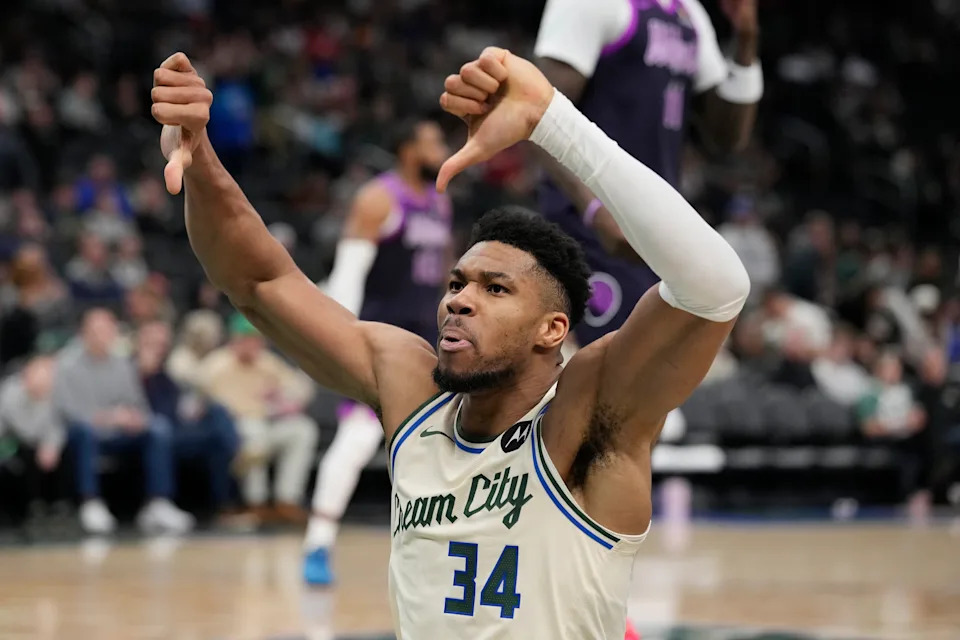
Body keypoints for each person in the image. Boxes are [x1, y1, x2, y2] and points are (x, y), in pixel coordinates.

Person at [151, 48, 748, 638]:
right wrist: (202, 161)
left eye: (495, 289)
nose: (459, 300)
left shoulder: (588, 415)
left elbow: (716, 286)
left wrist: (552, 122)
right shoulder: (410, 388)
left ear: (553, 330)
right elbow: (260, 281)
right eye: (457, 282)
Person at [533, 0, 761, 346]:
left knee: (641, 382)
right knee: (611, 376)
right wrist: (594, 209)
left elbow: (727, 137)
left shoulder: (689, 12)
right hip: (588, 225)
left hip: (653, 229)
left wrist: (745, 41)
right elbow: (536, 113)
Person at [304, 117, 454, 585]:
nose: (443, 149)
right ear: (408, 149)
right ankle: (317, 545)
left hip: (428, 344)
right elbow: (348, 276)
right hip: (381, 343)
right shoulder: (378, 199)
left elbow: (444, 271)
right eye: (433, 141)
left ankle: (438, 549)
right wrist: (344, 339)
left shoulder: (440, 201)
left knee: (439, 448)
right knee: (356, 443)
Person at [53, 308, 194, 535]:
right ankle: (91, 502)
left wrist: (136, 418)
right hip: (87, 433)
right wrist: (108, 417)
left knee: (158, 428)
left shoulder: (123, 365)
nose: (103, 335)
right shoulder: (67, 366)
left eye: (108, 330)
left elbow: (139, 405)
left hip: (120, 432)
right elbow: (68, 411)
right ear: (84, 333)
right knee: (84, 431)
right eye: (97, 330)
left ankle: (158, 503)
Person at [195, 313, 318, 523]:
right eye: (246, 339)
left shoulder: (266, 362)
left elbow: (301, 389)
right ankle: (256, 503)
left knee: (303, 429)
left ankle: (286, 501)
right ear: (235, 340)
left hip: (268, 422)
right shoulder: (216, 365)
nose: (252, 345)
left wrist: (284, 399)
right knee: (253, 432)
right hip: (235, 430)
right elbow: (207, 403)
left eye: (256, 339)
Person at [135, 320, 240, 522]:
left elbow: (177, 406)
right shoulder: (131, 369)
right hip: (152, 432)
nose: (159, 349)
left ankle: (225, 506)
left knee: (217, 416)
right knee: (161, 431)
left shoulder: (165, 373)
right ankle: (239, 452)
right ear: (141, 342)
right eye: (154, 343)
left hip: (177, 427)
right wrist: (142, 373)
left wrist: (194, 410)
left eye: (162, 344)